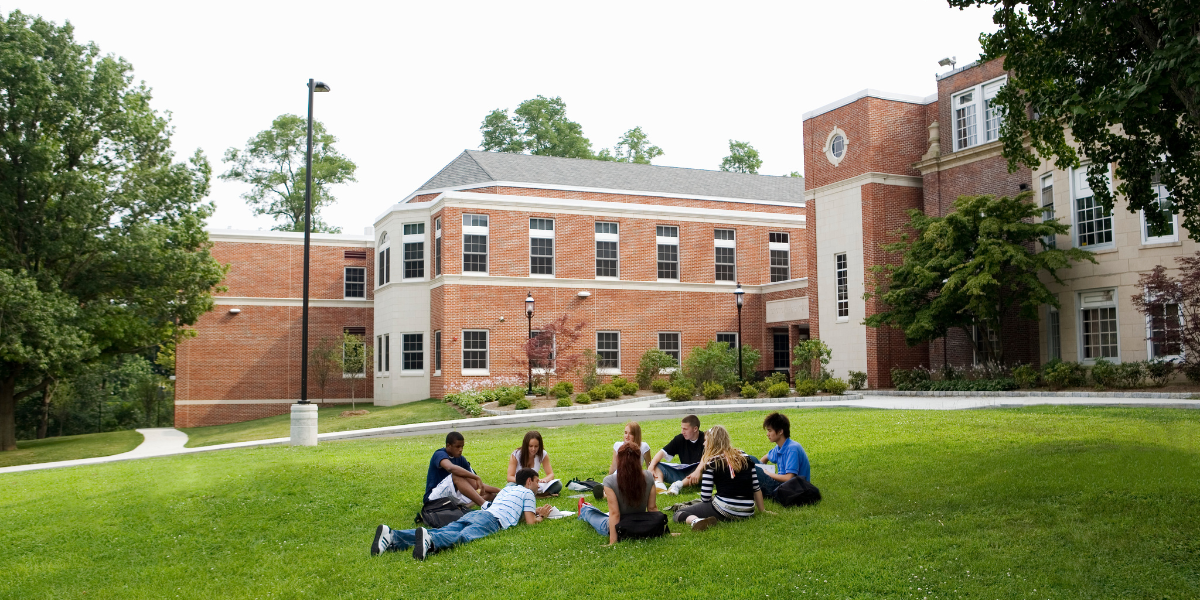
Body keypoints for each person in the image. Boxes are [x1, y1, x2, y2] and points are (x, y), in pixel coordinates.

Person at [372, 468, 553, 559]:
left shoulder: (507, 489)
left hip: (476, 514)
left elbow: (514, 511)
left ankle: (392, 536)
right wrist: (541, 516)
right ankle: (431, 543)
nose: (539, 485)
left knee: (443, 531)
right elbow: (530, 523)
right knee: (463, 537)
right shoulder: (528, 493)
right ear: (529, 481)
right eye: (537, 481)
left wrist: (530, 512)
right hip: (491, 521)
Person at [674, 425, 768, 531]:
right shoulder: (745, 456)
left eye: (705, 441)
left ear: (712, 442)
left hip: (726, 510)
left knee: (679, 513)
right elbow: (756, 488)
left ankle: (696, 521)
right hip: (748, 511)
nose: (704, 443)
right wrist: (762, 510)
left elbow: (705, 498)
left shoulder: (712, 462)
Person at [578, 442, 658, 545]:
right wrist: (662, 529)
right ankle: (587, 507)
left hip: (621, 526)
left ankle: (584, 508)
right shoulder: (648, 476)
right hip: (642, 523)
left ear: (619, 460)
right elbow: (652, 508)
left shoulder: (609, 481)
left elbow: (615, 514)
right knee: (602, 516)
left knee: (591, 515)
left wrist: (613, 542)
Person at [423, 431, 499, 508]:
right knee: (457, 475)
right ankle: (485, 505)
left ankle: (465, 507)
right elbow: (450, 468)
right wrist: (476, 477)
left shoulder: (461, 459)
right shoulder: (439, 454)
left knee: (491, 494)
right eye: (458, 447)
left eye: (462, 446)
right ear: (448, 446)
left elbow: (473, 483)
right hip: (433, 498)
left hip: (452, 495)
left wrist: (500, 490)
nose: (461, 449)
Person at [755, 412, 811, 499]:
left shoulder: (792, 448)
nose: (767, 434)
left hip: (792, 490)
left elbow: (789, 478)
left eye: (770, 431)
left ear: (780, 431)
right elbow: (766, 457)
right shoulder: (780, 447)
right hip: (781, 485)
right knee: (752, 460)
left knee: (751, 469)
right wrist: (760, 466)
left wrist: (766, 473)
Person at [647, 415, 706, 494]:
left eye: (685, 429)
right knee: (656, 465)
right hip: (683, 473)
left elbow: (708, 458)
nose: (682, 432)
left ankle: (678, 485)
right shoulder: (680, 439)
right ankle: (659, 486)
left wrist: (698, 471)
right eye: (682, 428)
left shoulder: (705, 439)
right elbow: (662, 452)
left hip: (698, 474)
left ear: (695, 429)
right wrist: (651, 467)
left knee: (705, 467)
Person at [507, 430, 561, 495]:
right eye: (530, 446)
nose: (533, 449)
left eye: (536, 446)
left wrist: (544, 480)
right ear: (526, 446)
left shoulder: (543, 454)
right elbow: (509, 477)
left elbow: (550, 474)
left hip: (535, 484)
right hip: (520, 484)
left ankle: (533, 494)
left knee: (558, 485)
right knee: (509, 486)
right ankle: (539, 494)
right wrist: (525, 482)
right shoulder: (516, 455)